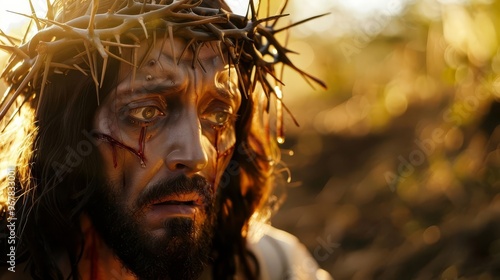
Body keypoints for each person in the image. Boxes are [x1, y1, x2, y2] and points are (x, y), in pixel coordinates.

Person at [0, 0, 331, 279]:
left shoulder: (276, 267)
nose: (196, 154)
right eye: (145, 113)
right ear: (66, 133)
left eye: (218, 115)